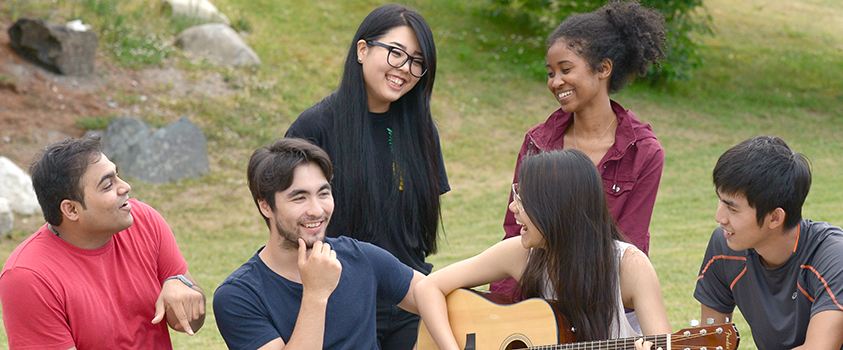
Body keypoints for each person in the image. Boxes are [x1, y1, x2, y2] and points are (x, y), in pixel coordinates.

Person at [284, 4, 446, 348]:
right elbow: (289, 216)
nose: (405, 69)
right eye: (396, 53)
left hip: (410, 295)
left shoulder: (421, 128)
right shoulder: (315, 126)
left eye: (417, 62)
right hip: (343, 300)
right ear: (362, 49)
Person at [491, 0, 667, 300]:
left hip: (605, 302)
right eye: (550, 73)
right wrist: (501, 311)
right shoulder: (537, 143)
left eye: (566, 69)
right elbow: (515, 236)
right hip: (537, 302)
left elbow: (628, 248)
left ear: (604, 69)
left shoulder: (644, 153)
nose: (556, 82)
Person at [416, 149, 671, 350]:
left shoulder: (630, 266)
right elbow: (429, 287)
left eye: (524, 199)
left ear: (555, 210)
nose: (513, 208)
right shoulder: (521, 254)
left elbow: (664, 344)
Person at [213, 138, 425, 350]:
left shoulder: (361, 257)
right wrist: (316, 294)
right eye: (299, 198)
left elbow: (435, 296)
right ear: (266, 206)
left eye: (323, 194)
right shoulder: (238, 296)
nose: (316, 210)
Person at [0, 135, 206, 349]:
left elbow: (191, 323)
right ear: (71, 209)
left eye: (118, 176)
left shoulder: (144, 220)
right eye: (108, 185)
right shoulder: (28, 276)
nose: (125, 187)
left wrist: (181, 287)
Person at [692, 136, 843, 350]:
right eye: (720, 201)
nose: (719, 217)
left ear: (774, 218)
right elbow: (712, 340)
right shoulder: (724, 246)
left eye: (732, 208)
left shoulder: (834, 256)